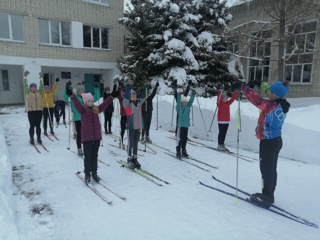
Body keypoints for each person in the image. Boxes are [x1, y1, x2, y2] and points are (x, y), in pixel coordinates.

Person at [232, 79, 290, 208]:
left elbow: (256, 99)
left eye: (270, 92)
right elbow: (270, 91)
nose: (268, 92)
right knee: (271, 169)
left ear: (274, 95)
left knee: (266, 169)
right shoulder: (282, 104)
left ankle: (267, 197)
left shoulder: (271, 105)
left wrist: (243, 87)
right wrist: (261, 83)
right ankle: (269, 194)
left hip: (268, 142)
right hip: (276, 140)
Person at [65, 86, 114, 185]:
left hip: (96, 137)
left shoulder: (96, 109)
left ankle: (94, 173)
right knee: (88, 157)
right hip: (87, 138)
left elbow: (105, 104)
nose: (91, 102)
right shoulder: (82, 110)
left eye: (92, 100)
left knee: (94, 156)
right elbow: (76, 103)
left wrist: (111, 97)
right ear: (85, 102)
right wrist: (72, 96)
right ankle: (87, 174)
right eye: (89, 101)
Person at [122, 75, 149, 169]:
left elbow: (144, 96)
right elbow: (125, 97)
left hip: (138, 126)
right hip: (131, 126)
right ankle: (129, 158)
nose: (134, 97)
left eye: (135, 95)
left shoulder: (138, 103)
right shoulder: (127, 104)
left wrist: (146, 86)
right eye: (132, 96)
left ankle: (135, 157)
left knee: (136, 143)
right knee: (131, 143)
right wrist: (128, 86)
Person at [216, 86, 238, 151]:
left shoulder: (228, 103)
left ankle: (222, 144)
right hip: (221, 121)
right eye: (223, 99)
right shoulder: (220, 104)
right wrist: (220, 91)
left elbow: (233, 98)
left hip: (226, 121)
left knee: (224, 133)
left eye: (225, 98)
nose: (224, 100)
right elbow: (218, 98)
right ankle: (219, 144)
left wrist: (236, 92)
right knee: (221, 132)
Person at [176, 88, 196, 158]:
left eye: (186, 102)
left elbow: (191, 101)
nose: (186, 103)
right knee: (180, 139)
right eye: (184, 102)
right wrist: (179, 94)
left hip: (186, 125)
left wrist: (193, 94)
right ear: (182, 103)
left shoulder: (188, 106)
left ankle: (184, 150)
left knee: (184, 139)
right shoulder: (179, 108)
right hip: (181, 125)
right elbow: (178, 102)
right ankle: (178, 150)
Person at [116, 78, 127, 149]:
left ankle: (127, 141)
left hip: (129, 115)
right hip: (123, 115)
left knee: (128, 129)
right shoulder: (121, 99)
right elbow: (120, 94)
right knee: (123, 129)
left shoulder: (128, 99)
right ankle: (122, 141)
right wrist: (120, 85)